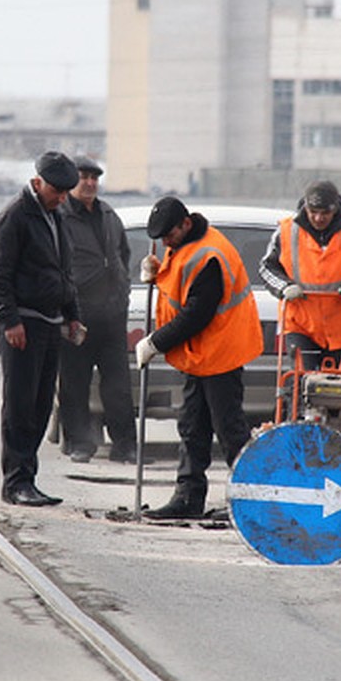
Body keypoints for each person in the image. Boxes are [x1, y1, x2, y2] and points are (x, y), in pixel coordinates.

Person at [134, 196, 264, 519]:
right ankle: (188, 499)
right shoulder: (184, 244)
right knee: (192, 426)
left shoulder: (210, 256)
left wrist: (155, 342)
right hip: (200, 355)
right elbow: (180, 282)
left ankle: (252, 504)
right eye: (161, 239)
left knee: (230, 430)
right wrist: (158, 273)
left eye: (170, 236)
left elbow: (196, 314)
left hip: (221, 351)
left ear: (186, 224)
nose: (166, 242)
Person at [0, 151, 86, 506]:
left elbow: (63, 272)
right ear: (38, 182)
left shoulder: (55, 217)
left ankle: (29, 477)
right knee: (20, 406)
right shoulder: (14, 218)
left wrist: (72, 314)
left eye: (64, 193)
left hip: (51, 323)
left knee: (41, 406)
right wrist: (9, 320)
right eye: (56, 191)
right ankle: (15, 483)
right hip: (23, 324)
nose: (61, 198)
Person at [56, 155, 137, 463]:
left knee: (118, 386)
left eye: (94, 177)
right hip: (77, 315)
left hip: (112, 317)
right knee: (74, 384)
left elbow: (122, 258)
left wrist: (122, 295)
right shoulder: (61, 216)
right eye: (83, 177)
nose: (89, 183)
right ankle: (80, 443)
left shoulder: (107, 215)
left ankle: (125, 446)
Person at [258, 179, 341, 372]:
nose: (318, 218)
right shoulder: (286, 231)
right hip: (300, 323)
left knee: (337, 384)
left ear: (335, 209)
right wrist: (284, 287)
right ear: (306, 207)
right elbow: (267, 268)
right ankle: (296, 399)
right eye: (313, 212)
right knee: (303, 378)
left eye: (324, 213)